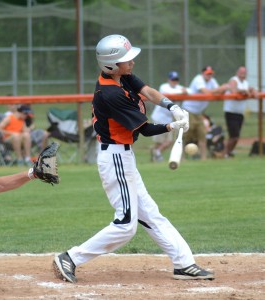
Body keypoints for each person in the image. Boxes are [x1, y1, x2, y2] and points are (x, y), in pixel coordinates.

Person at [53, 34, 214, 283]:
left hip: (124, 157)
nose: (132, 63)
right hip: (114, 157)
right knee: (127, 224)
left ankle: (184, 263)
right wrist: (173, 127)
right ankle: (71, 257)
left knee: (150, 213)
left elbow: (147, 91)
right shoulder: (110, 94)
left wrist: (172, 107)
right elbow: (146, 130)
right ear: (111, 65)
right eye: (126, 60)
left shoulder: (122, 76)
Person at [182, 66, 229, 160]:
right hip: (188, 111)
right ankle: (181, 158)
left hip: (199, 113)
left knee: (202, 134)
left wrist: (223, 89)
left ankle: (204, 159)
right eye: (207, 73)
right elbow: (206, 92)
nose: (209, 75)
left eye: (211, 73)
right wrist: (221, 88)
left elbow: (218, 92)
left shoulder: (212, 81)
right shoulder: (198, 79)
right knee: (184, 136)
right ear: (203, 73)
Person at [150, 71, 190, 162]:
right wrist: (182, 92)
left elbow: (189, 90)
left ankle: (156, 152)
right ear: (169, 80)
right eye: (173, 80)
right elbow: (169, 92)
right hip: (159, 117)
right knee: (161, 141)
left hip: (168, 118)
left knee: (168, 141)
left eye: (176, 80)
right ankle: (156, 154)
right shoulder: (164, 86)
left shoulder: (178, 88)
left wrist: (185, 91)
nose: (174, 81)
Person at [223, 66, 258, 158]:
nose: (243, 75)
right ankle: (225, 154)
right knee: (233, 136)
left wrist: (252, 90)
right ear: (237, 72)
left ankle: (229, 152)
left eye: (244, 73)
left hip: (240, 113)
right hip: (231, 112)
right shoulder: (233, 80)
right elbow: (234, 90)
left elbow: (249, 89)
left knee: (236, 136)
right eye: (241, 73)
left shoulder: (245, 82)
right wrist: (244, 91)